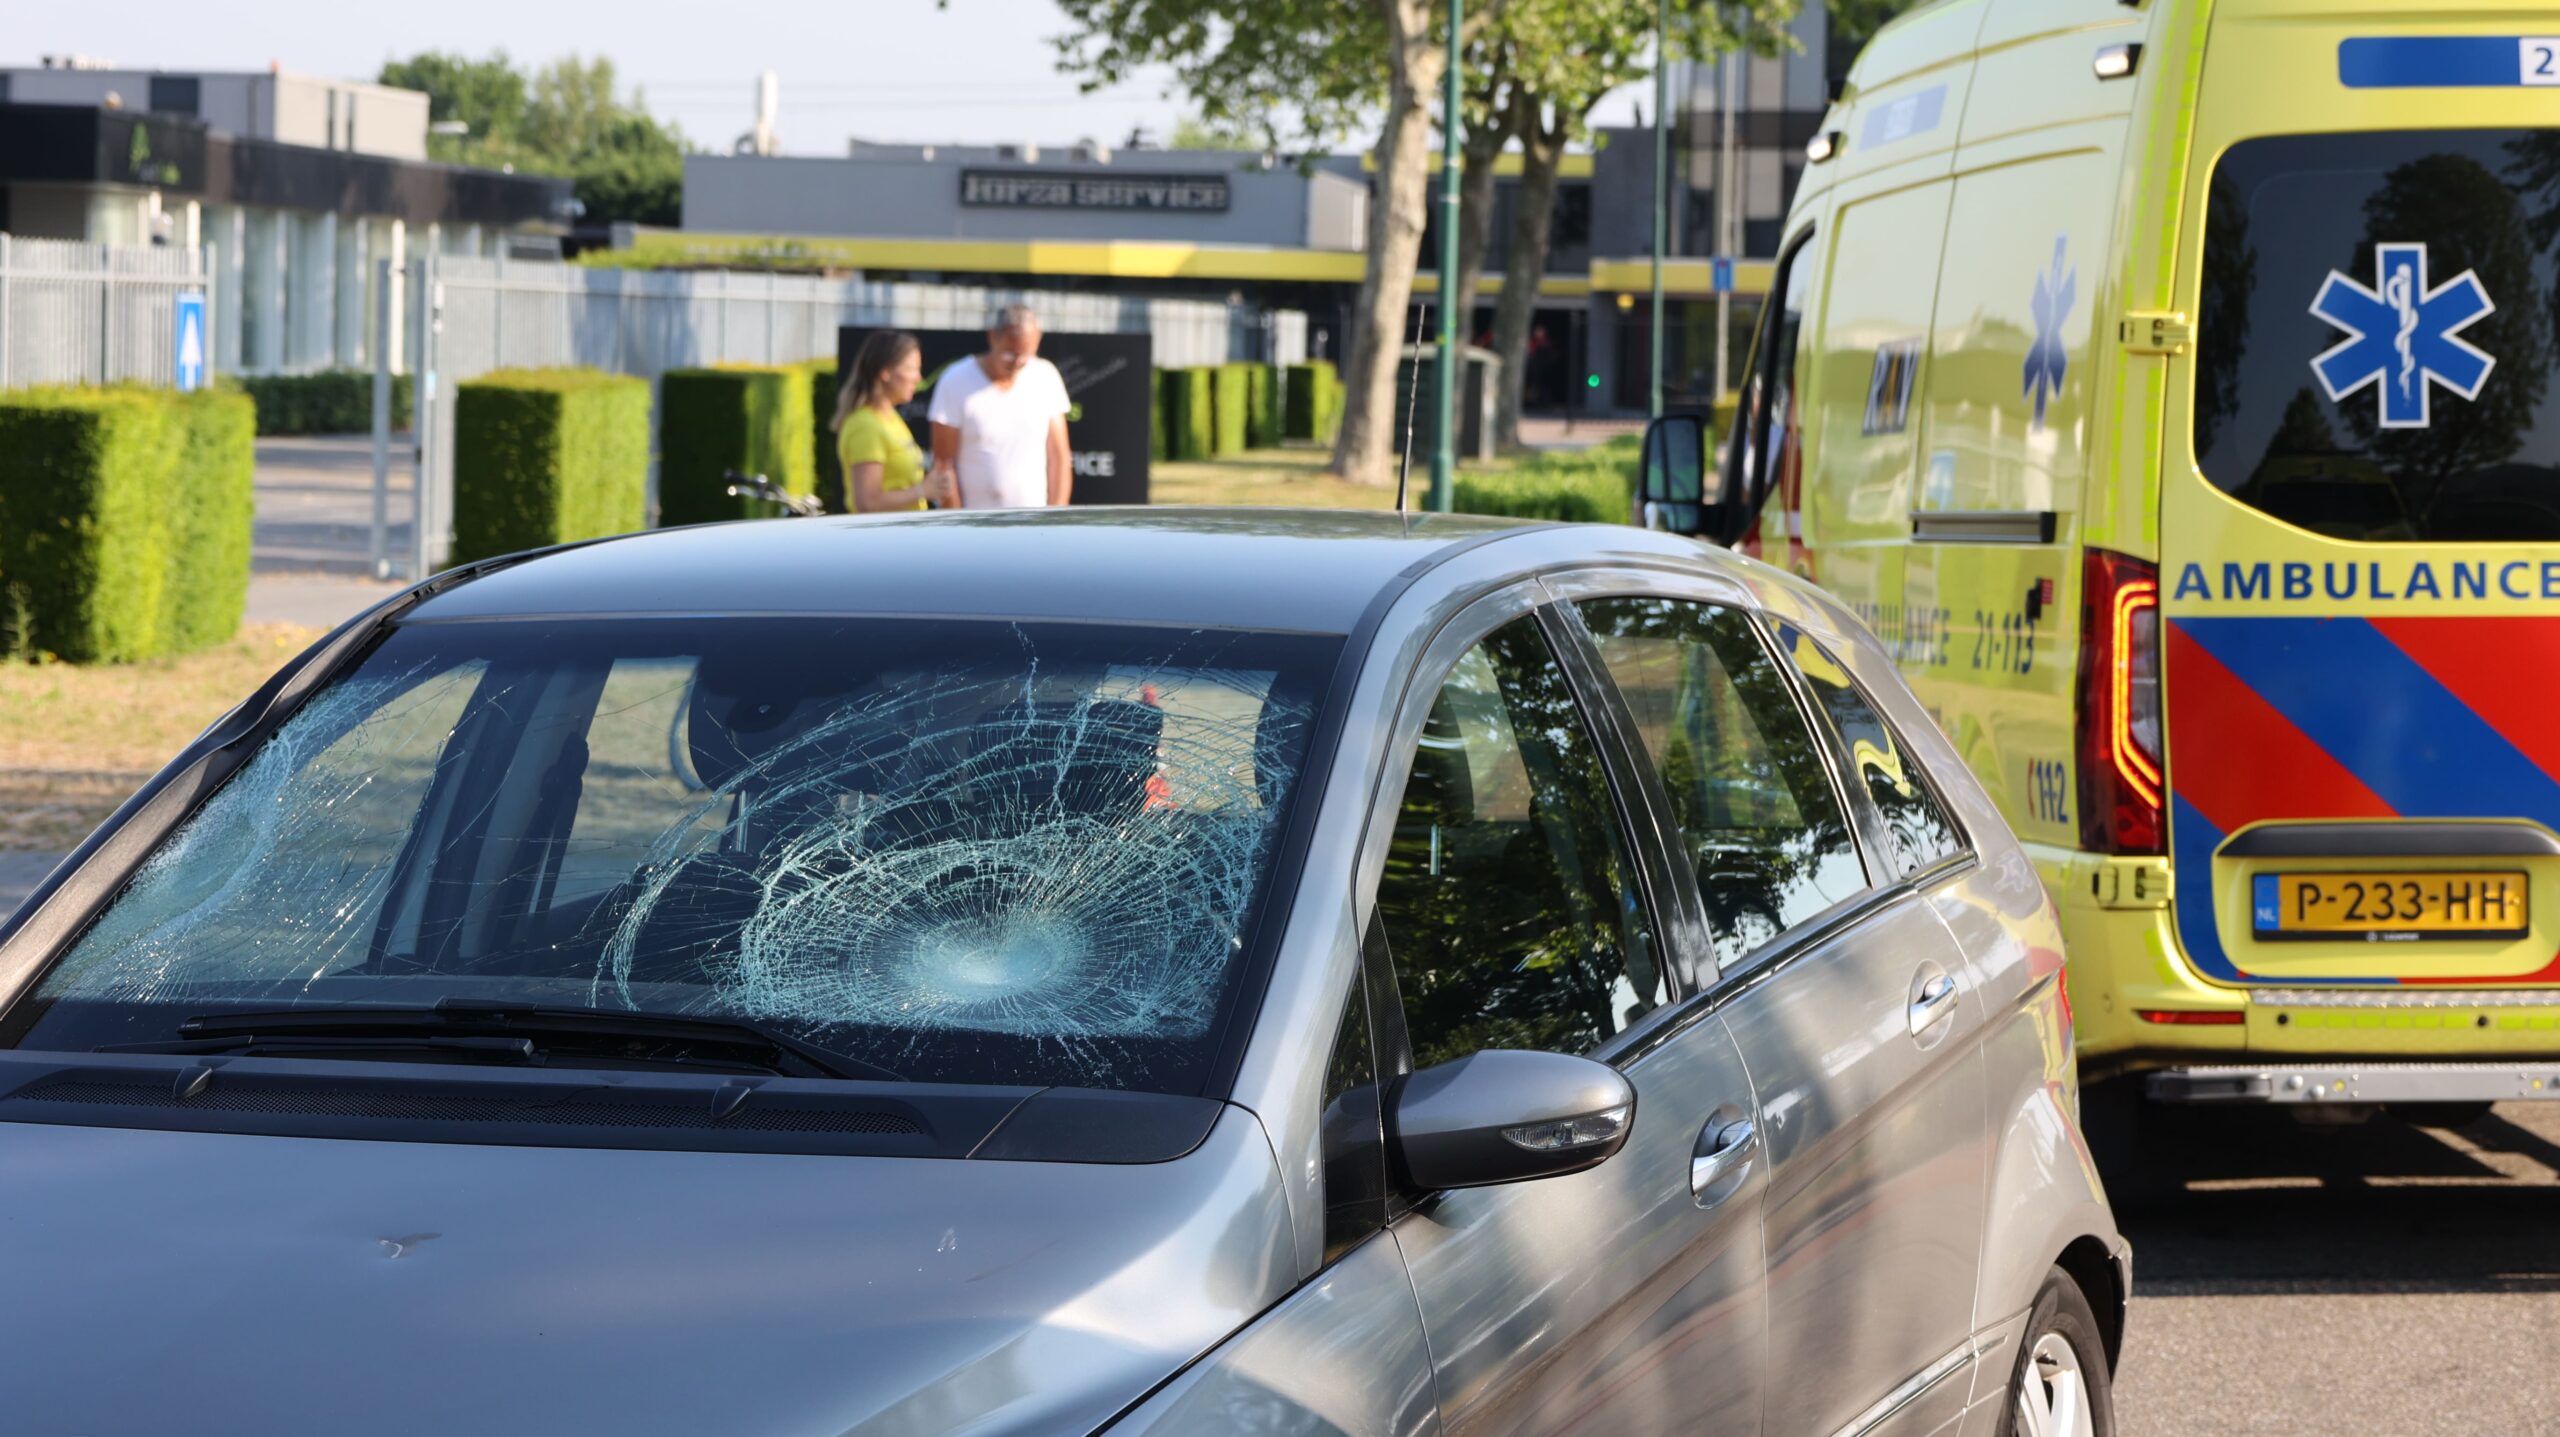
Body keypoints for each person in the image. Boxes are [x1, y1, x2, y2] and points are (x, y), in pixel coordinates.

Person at [928, 303, 1074, 508]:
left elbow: (1059, 456)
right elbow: (944, 464)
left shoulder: (1046, 376)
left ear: (1038, 338)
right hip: (974, 529)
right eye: (1010, 353)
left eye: (1026, 354)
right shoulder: (955, 380)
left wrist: (1056, 516)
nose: (1018, 362)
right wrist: (957, 526)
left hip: (1036, 526)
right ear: (992, 337)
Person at [832, 330, 954, 513]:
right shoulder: (865, 425)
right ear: (886, 373)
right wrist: (923, 490)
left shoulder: (890, 418)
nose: (918, 378)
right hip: (882, 540)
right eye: (912, 369)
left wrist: (933, 483)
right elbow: (867, 503)